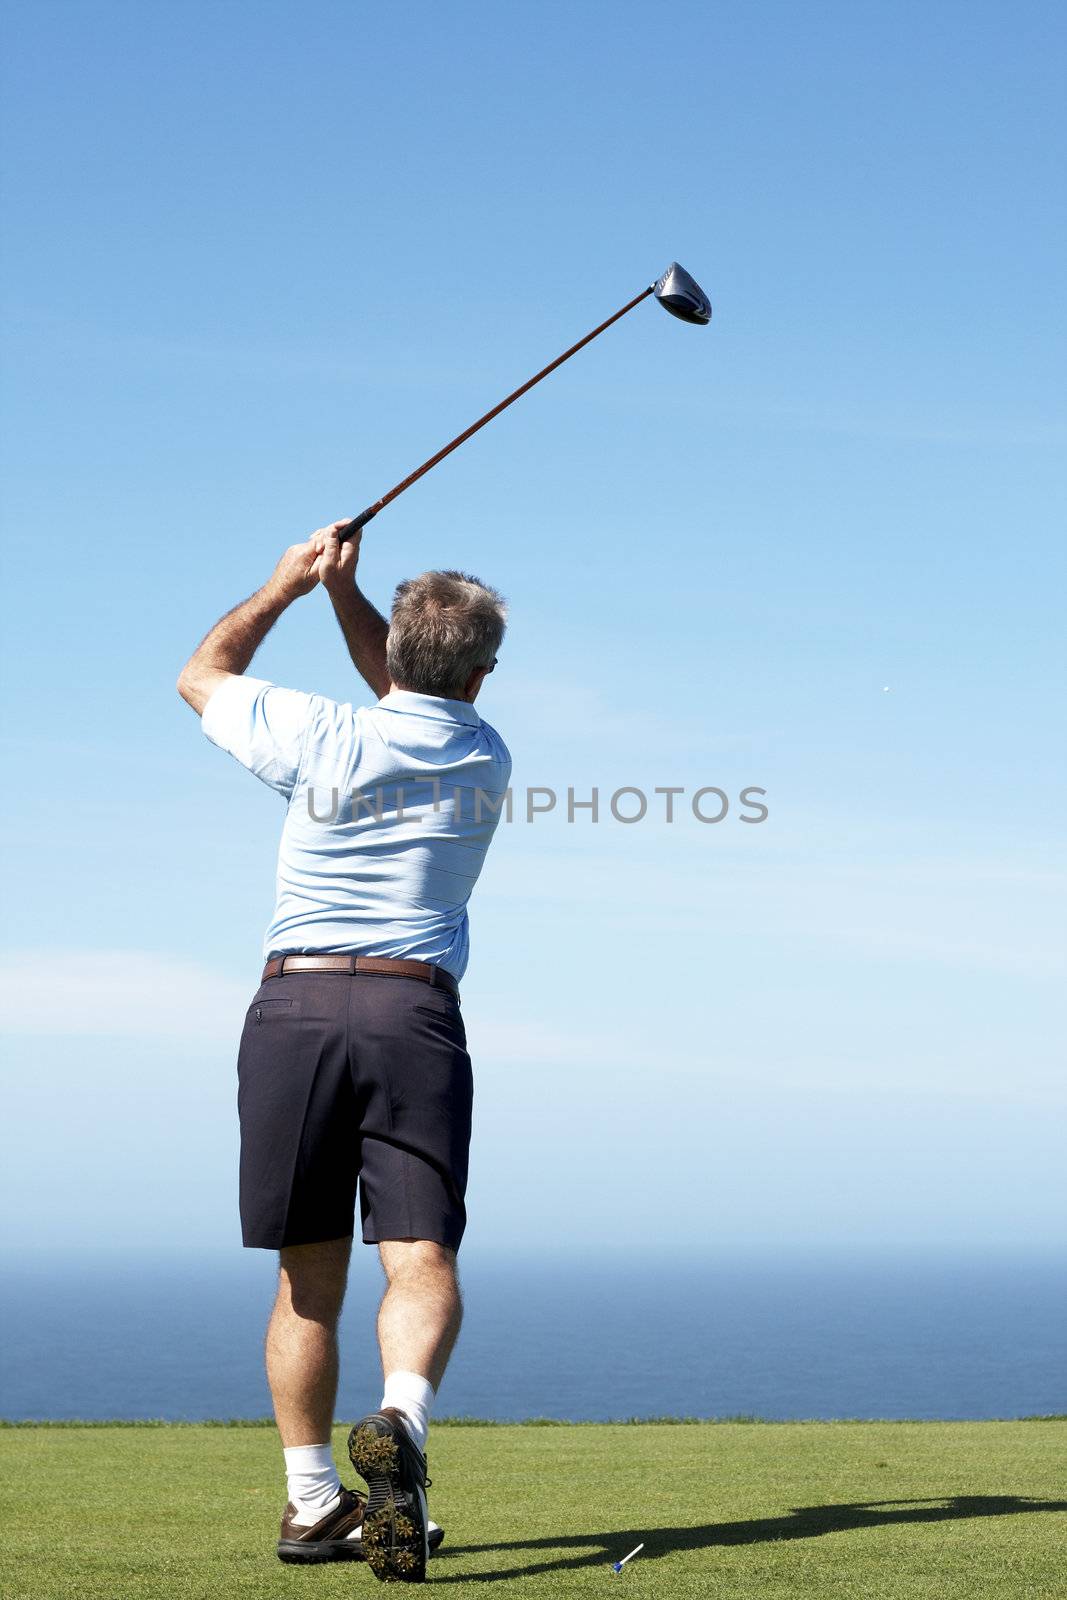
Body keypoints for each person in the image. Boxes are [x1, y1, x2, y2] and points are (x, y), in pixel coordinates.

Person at [177, 519, 511, 1583]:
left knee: (305, 1279)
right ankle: (401, 1421)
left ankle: (314, 1499)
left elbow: (202, 672)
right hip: (411, 1015)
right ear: (481, 670)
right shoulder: (480, 749)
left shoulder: (319, 731)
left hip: (294, 1012)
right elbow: (417, 681)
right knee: (419, 1256)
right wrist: (346, 595)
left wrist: (289, 584)